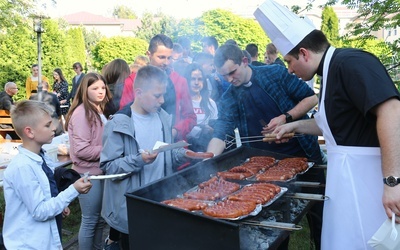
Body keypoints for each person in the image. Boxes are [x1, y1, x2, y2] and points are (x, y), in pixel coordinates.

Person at [254, 0, 400, 249]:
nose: (289, 70)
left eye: (289, 61)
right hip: (345, 179)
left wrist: (392, 182)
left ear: (304, 53)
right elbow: (331, 128)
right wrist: (292, 127)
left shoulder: (351, 63)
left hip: (369, 180)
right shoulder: (329, 71)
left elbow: (392, 111)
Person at [206, 44, 326, 249]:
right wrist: (209, 157)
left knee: (319, 216)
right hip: (263, 168)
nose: (228, 80)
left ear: (245, 61)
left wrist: (286, 118)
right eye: (223, 75)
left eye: (232, 72)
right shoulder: (230, 96)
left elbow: (311, 97)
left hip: (303, 156)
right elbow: (221, 132)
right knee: (277, 227)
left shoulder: (275, 73)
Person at [101, 65, 199, 249]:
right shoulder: (119, 123)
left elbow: (166, 153)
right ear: (138, 92)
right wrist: (139, 160)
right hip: (132, 207)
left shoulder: (162, 117)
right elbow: (108, 167)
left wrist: (183, 154)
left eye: (163, 95)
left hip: (161, 200)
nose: (162, 100)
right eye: (157, 96)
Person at [2, 100, 92, 249]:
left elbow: (45, 194)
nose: (54, 128)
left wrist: (58, 203)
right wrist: (72, 190)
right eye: (47, 125)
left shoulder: (42, 158)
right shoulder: (22, 167)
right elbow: (39, 211)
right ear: (29, 132)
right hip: (29, 245)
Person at [119, 34, 196, 142]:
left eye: (169, 58)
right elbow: (124, 116)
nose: (166, 63)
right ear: (149, 55)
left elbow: (190, 117)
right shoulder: (132, 81)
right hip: (141, 146)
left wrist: (175, 131)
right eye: (161, 57)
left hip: (172, 145)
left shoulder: (180, 81)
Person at [65, 72, 111, 249]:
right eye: (95, 88)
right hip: (88, 174)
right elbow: (81, 150)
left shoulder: (97, 109)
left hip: (99, 172)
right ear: (85, 90)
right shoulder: (82, 113)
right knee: (90, 220)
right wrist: (110, 151)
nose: (101, 91)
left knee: (99, 220)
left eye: (103, 87)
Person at [184, 63, 218, 152]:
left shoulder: (211, 103)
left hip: (205, 147)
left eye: (200, 79)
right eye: (193, 79)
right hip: (186, 149)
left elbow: (216, 129)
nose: (196, 83)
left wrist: (209, 130)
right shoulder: (181, 103)